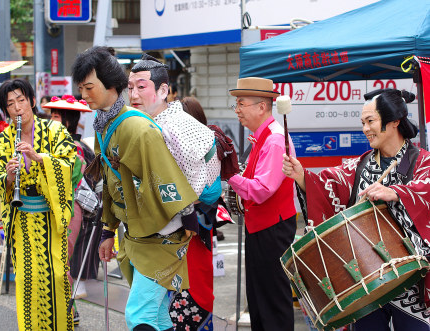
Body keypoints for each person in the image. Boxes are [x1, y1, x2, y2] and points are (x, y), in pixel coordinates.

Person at [72, 46, 198, 331]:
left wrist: (187, 219)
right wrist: (107, 231)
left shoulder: (136, 128)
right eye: (81, 88)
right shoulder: (105, 125)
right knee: (157, 316)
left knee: (138, 314)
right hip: (137, 234)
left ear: (111, 85)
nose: (84, 95)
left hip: (163, 233)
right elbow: (110, 184)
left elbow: (165, 174)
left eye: (89, 87)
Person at [282, 88, 430, 330]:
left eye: (371, 121)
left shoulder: (422, 162)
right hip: (365, 279)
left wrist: (398, 192)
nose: (365, 129)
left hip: (410, 283)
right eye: (363, 122)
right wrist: (302, 177)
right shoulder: (360, 165)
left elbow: (427, 187)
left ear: (394, 121)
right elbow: (328, 183)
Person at [128, 55, 222, 330]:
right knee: (159, 315)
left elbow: (192, 186)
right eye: (130, 87)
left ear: (163, 90)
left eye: (141, 86)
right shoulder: (152, 122)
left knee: (140, 314)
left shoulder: (178, 125)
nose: (133, 94)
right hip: (163, 227)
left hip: (171, 230)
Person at [0, 79, 77, 331]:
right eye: (10, 104)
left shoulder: (55, 131)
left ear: (32, 102)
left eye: (21, 101)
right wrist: (9, 176)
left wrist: (41, 158)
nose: (17, 108)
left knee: (57, 276)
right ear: (6, 111)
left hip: (50, 217)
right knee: (28, 280)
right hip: (22, 221)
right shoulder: (2, 141)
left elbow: (70, 162)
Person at [226, 77, 297, 331]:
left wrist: (230, 175)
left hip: (272, 230)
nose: (237, 110)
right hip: (262, 228)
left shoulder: (275, 139)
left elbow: (262, 190)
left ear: (261, 107)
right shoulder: (263, 137)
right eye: (237, 104)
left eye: (241, 104)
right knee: (258, 298)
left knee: (271, 300)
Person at [43, 95, 102, 325]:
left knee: (61, 258)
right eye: (51, 116)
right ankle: (63, 307)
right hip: (52, 205)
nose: (51, 120)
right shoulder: (52, 144)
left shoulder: (74, 148)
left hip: (71, 207)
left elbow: (72, 179)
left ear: (67, 120)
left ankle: (68, 309)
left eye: (56, 116)